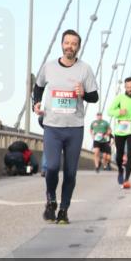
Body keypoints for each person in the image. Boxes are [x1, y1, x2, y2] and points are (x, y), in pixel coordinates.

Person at [34, 29, 99, 225]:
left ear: (78, 47)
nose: (70, 46)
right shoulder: (49, 67)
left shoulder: (84, 69)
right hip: (52, 126)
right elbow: (38, 87)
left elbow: (94, 97)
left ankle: (63, 210)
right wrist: (35, 103)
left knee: (70, 172)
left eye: (74, 43)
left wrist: (83, 94)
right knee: (52, 167)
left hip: (74, 127)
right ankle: (51, 199)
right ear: (62, 44)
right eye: (67, 42)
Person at [108, 77, 131, 189]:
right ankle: (120, 170)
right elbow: (109, 111)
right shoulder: (119, 98)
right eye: (128, 87)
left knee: (130, 154)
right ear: (125, 87)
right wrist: (119, 112)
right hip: (121, 129)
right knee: (119, 155)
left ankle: (126, 179)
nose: (130, 89)